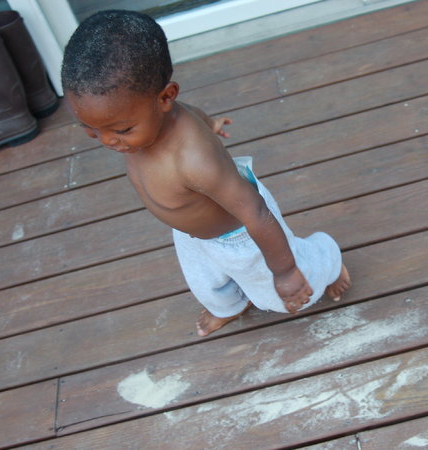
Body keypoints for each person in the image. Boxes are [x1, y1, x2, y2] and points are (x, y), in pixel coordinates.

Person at [61, 10, 350, 337]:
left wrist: (284, 272)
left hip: (241, 234)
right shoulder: (151, 118)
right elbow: (189, 111)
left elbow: (256, 212)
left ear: (165, 97)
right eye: (90, 129)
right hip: (191, 231)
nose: (107, 141)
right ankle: (230, 306)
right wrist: (209, 123)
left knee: (282, 296)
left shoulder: (195, 161)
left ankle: (326, 260)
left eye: (122, 129)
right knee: (206, 282)